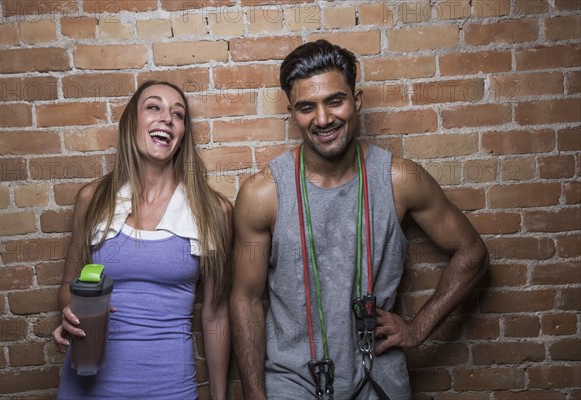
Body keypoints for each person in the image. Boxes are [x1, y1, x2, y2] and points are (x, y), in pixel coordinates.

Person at [229, 39, 489, 400]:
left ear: (357, 100)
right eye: (307, 107)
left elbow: (472, 252)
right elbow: (245, 300)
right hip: (293, 383)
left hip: (378, 376)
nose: (323, 119)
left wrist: (418, 328)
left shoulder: (399, 180)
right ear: (292, 112)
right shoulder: (263, 194)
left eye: (335, 101)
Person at [52, 80, 232, 399]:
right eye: (153, 107)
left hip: (168, 385)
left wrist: (220, 397)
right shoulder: (92, 200)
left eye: (178, 114)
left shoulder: (213, 211)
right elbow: (69, 285)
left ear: (182, 134)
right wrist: (70, 311)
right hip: (87, 382)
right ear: (132, 123)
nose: (166, 118)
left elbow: (215, 315)